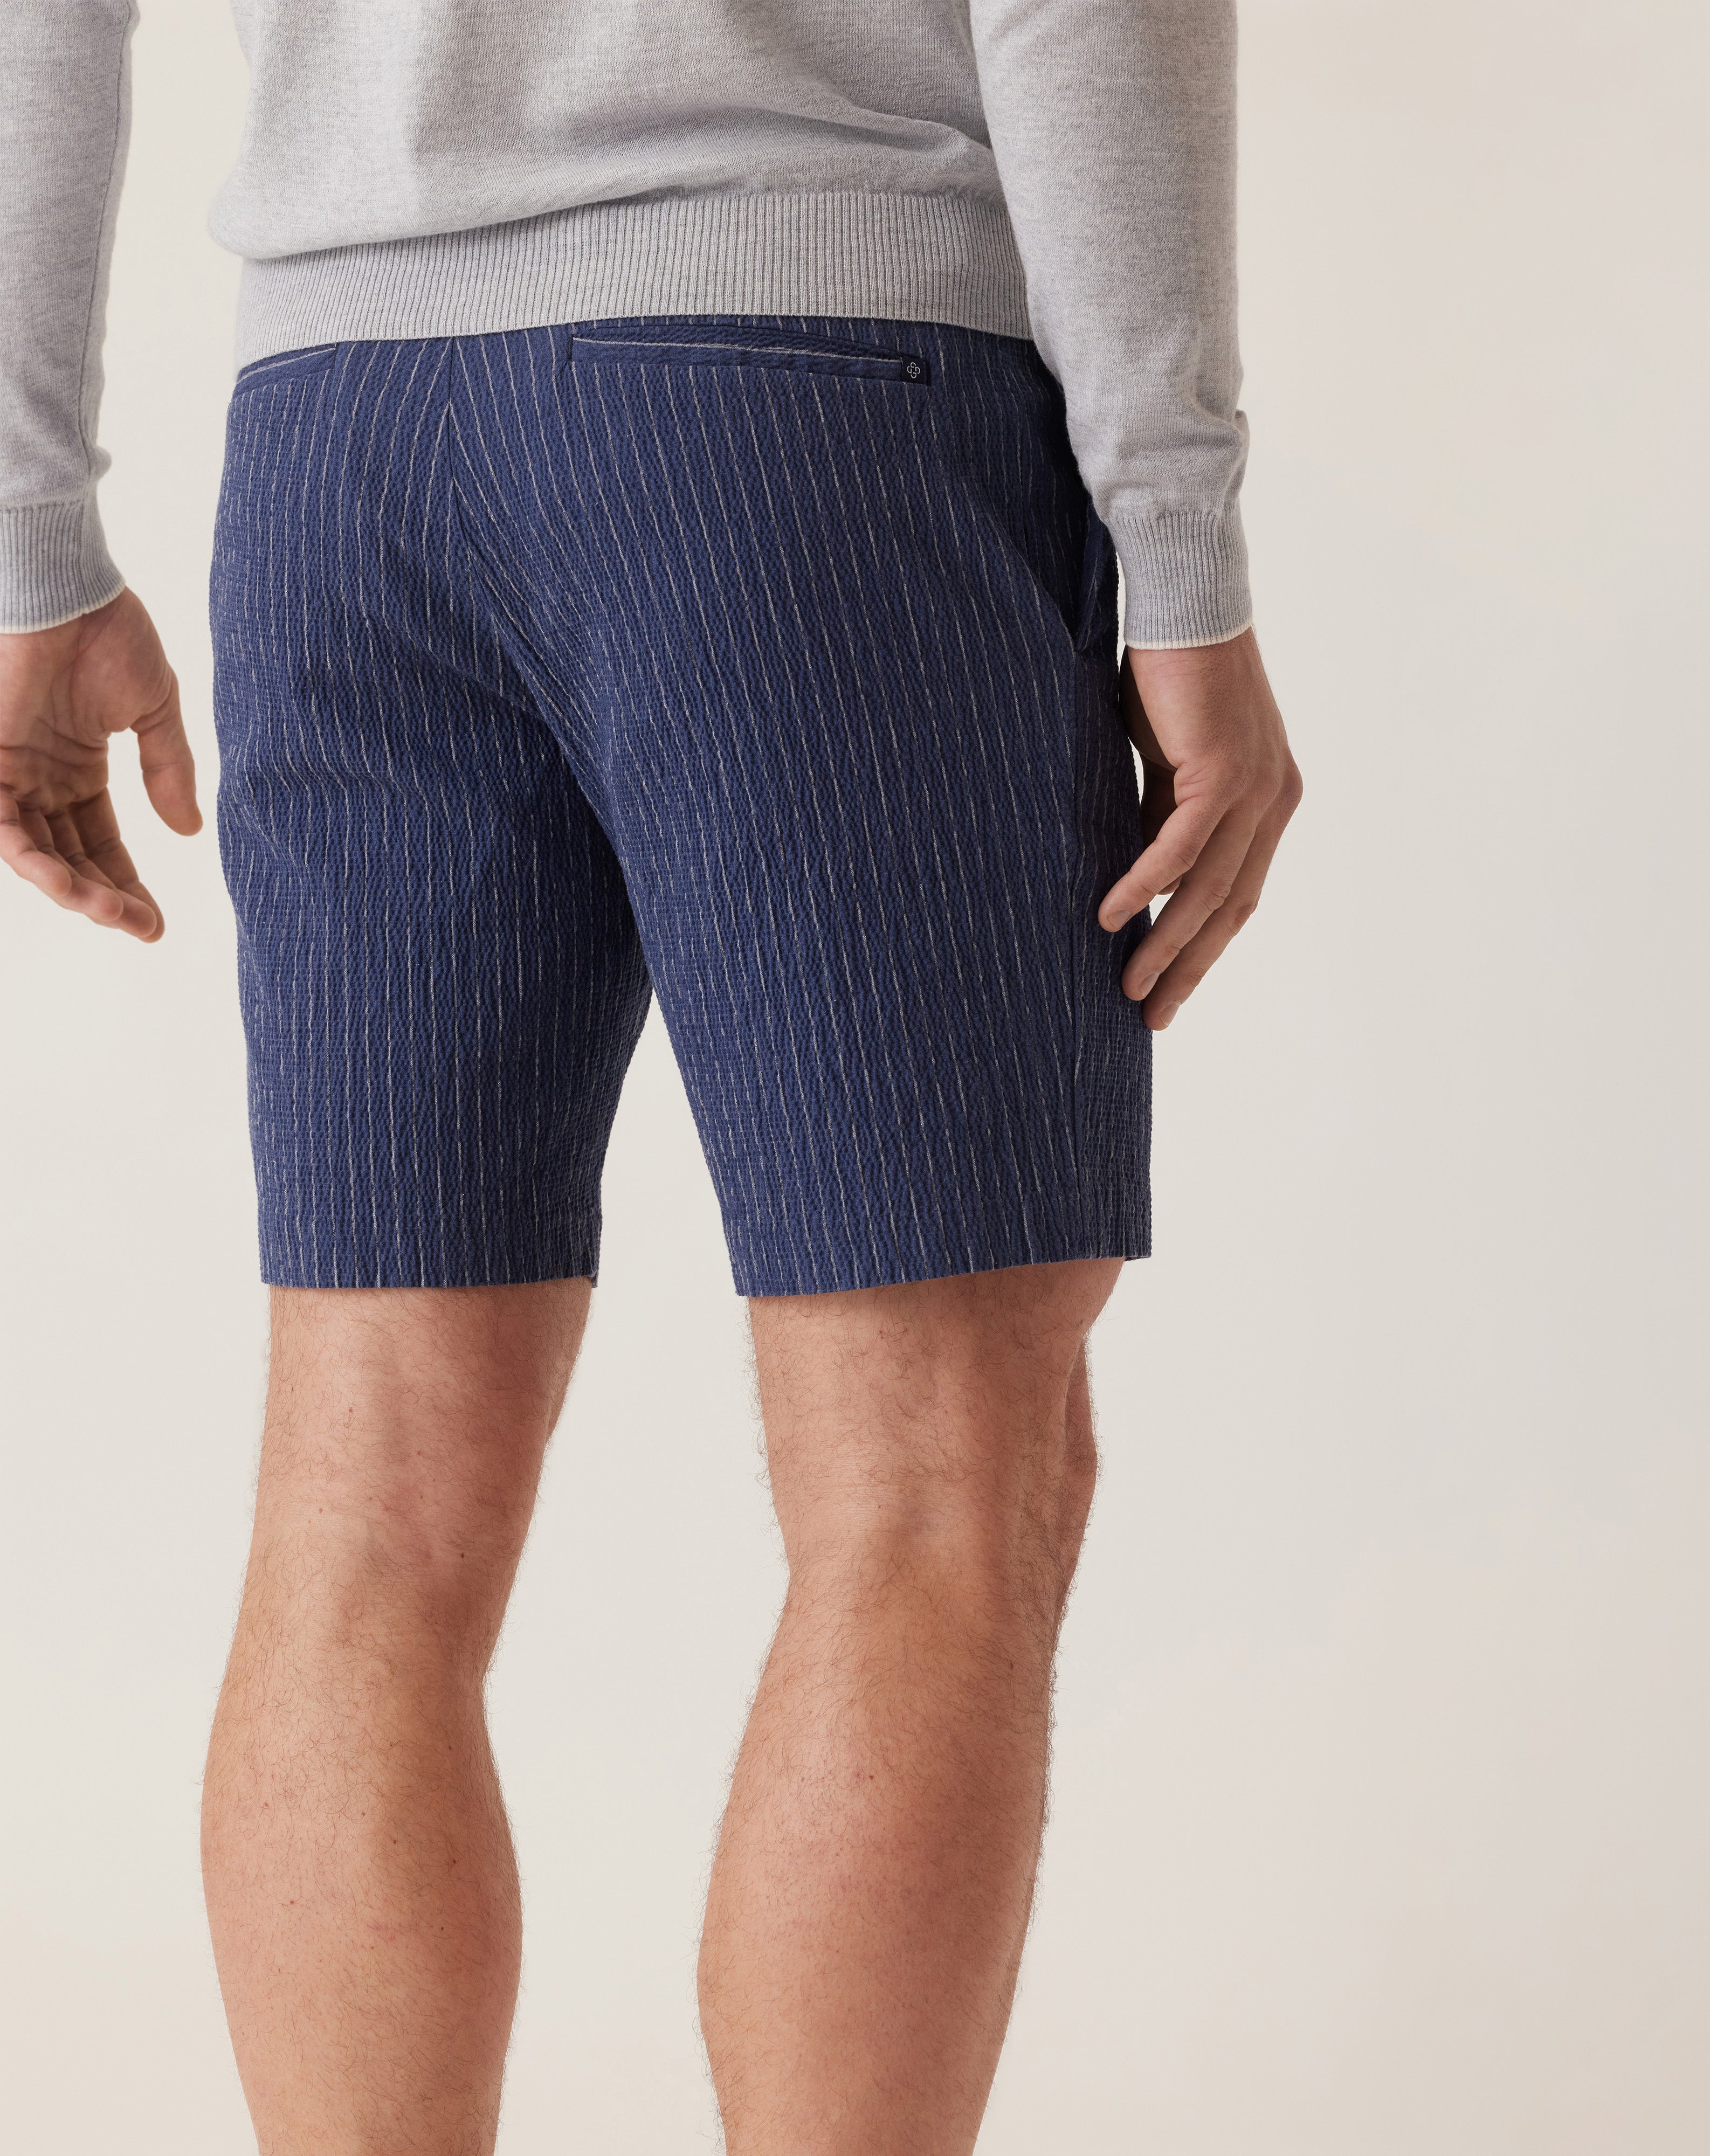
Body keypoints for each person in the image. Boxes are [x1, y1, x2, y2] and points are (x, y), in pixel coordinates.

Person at [0, 1, 1301, 2147]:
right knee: (930, 1483)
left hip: (341, 447)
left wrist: (29, 535)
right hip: (811, 407)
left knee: (368, 1498)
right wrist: (1181, 560)